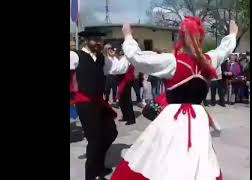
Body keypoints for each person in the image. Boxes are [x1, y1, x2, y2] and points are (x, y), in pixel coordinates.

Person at [111, 17, 237, 180]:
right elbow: (223, 50)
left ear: (181, 37)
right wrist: (232, 35)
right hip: (198, 119)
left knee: (162, 157)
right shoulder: (208, 60)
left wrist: (128, 36)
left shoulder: (173, 62)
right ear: (200, 37)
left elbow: (138, 58)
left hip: (174, 119)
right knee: (196, 159)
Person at [71, 31, 118, 180]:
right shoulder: (76, 56)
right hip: (85, 103)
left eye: (100, 40)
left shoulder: (101, 58)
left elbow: (118, 68)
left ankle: (98, 165)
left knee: (111, 132)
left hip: (99, 102)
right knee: (95, 140)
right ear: (86, 41)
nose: (98, 43)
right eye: (95, 40)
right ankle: (90, 175)